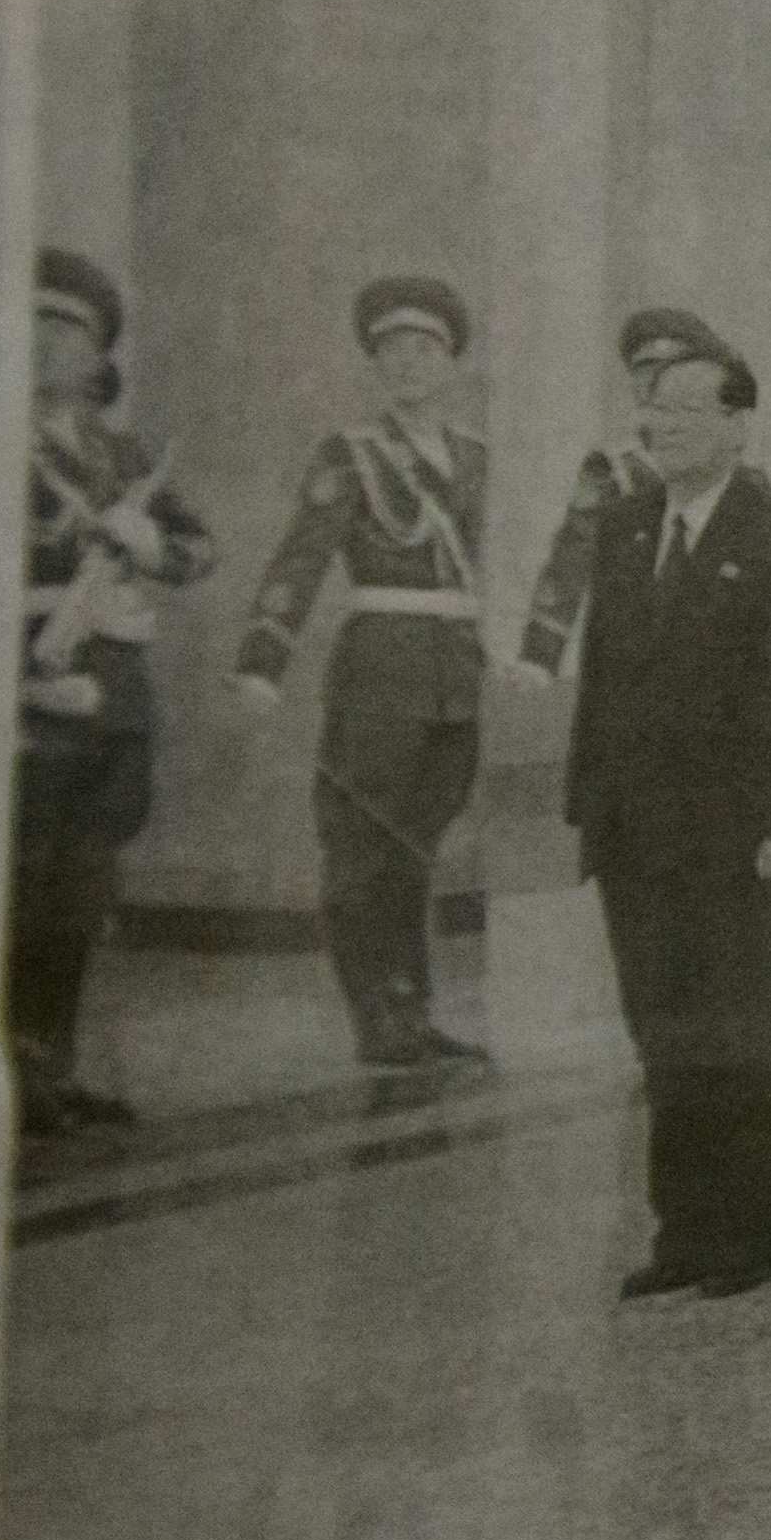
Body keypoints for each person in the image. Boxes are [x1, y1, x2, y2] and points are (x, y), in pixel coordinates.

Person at [528, 308, 771, 1297]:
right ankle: (686, 1231)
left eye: (683, 408)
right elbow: (606, 679)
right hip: (634, 831)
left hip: (737, 835)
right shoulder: (623, 530)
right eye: (650, 405)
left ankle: (753, 1235)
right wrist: (590, 806)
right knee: (663, 1028)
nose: (658, 423)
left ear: (739, 426)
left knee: (747, 1025)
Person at [227, 269, 501, 1086]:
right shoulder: (349, 454)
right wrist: (263, 658)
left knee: (414, 853)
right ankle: (377, 1019)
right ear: (375, 366)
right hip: (378, 669)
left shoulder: (477, 459)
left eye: (426, 348)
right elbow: (301, 555)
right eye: (393, 350)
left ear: (452, 364)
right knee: (360, 851)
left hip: (456, 675)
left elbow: (507, 567)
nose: (410, 362)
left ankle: (413, 1009)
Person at [7, 249, 211, 1138]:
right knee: (23, 878)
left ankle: (53, 1058)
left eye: (69, 334)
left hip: (117, 686)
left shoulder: (121, 454)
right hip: (30, 675)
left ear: (98, 359)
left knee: (83, 889)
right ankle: (7, 1061)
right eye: (36, 328)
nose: (50, 348)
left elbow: (201, 549)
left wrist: (151, 546)